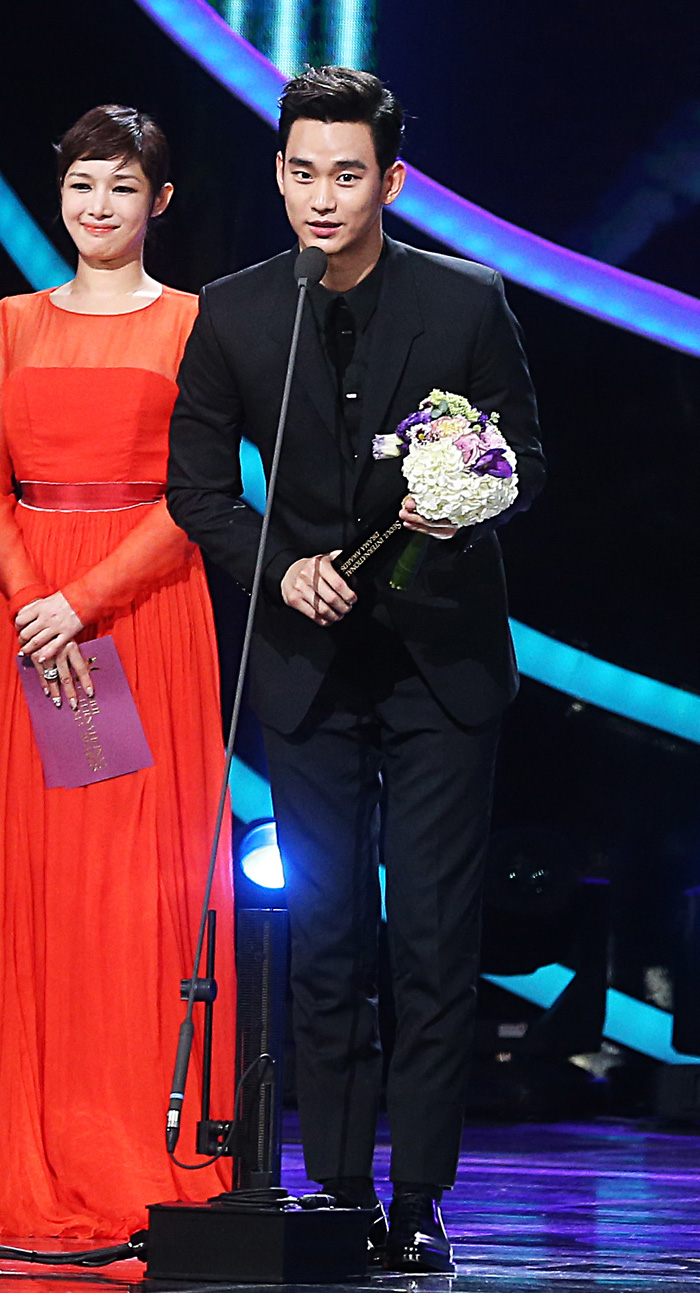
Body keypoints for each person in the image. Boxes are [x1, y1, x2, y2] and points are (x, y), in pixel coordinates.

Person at [167, 67, 545, 1273]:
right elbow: (200, 492)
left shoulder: (468, 301)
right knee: (323, 932)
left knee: (431, 936)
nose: (321, 197)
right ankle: (331, 1186)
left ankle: (419, 1195)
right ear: (277, 173)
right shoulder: (230, 314)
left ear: (389, 180)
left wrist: (468, 500)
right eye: (300, 171)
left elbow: (519, 455)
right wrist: (277, 570)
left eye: (346, 174)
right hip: (304, 663)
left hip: (440, 665)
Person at [0, 105, 234, 1240]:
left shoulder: (199, 324)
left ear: (162, 204)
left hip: (140, 609)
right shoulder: (7, 323)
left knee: (134, 883)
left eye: (123, 188)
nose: (99, 207)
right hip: (24, 617)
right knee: (38, 883)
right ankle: (35, 1135)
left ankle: (147, 1131)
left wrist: (84, 604)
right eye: (84, 185)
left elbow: (202, 494)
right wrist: (33, 602)